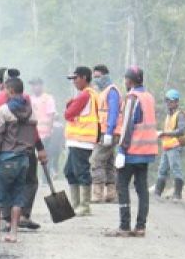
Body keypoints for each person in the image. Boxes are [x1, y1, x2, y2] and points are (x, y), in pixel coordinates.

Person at [0, 77, 48, 243]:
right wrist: (39, 149)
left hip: (6, 158)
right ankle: (13, 233)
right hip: (24, 159)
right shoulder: (31, 110)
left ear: (9, 91)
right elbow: (34, 133)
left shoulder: (4, 110)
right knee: (18, 197)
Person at [108, 66, 158, 236]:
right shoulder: (149, 97)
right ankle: (141, 227)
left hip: (131, 151)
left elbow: (128, 125)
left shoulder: (132, 97)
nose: (125, 81)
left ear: (130, 80)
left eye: (126, 79)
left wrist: (121, 149)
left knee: (122, 186)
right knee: (142, 189)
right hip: (147, 151)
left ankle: (124, 226)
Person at [62, 66, 100, 215]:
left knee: (81, 171)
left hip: (82, 139)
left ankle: (84, 206)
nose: (74, 82)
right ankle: (76, 204)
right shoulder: (89, 94)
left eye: (75, 78)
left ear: (84, 77)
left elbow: (68, 114)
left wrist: (69, 105)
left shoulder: (85, 95)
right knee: (70, 171)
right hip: (77, 139)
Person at [90, 64, 120, 204]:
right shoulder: (104, 91)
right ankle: (111, 194)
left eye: (98, 76)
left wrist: (108, 132)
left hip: (109, 132)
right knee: (108, 162)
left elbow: (113, 113)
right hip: (106, 131)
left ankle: (98, 193)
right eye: (94, 77)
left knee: (96, 160)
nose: (96, 80)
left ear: (105, 76)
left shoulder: (111, 91)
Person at [155, 89, 185, 199]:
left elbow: (181, 131)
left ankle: (177, 194)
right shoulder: (168, 115)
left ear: (176, 102)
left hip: (174, 147)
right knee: (162, 170)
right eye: (167, 101)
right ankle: (157, 193)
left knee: (176, 169)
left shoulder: (180, 115)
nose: (168, 103)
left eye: (171, 101)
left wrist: (164, 133)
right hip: (166, 146)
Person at [29, 77, 61, 166]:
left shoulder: (48, 98)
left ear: (41, 86)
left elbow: (51, 115)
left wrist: (50, 131)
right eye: (33, 85)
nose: (34, 87)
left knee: (45, 158)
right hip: (33, 134)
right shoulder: (30, 99)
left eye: (36, 85)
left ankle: (45, 178)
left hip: (45, 134)